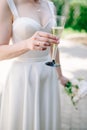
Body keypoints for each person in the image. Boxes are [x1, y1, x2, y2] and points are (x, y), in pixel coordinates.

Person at [0, 0, 68, 130]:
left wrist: (60, 76)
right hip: (23, 78)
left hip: (48, 76)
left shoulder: (49, 5)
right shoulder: (7, 3)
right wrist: (27, 44)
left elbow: (54, 45)